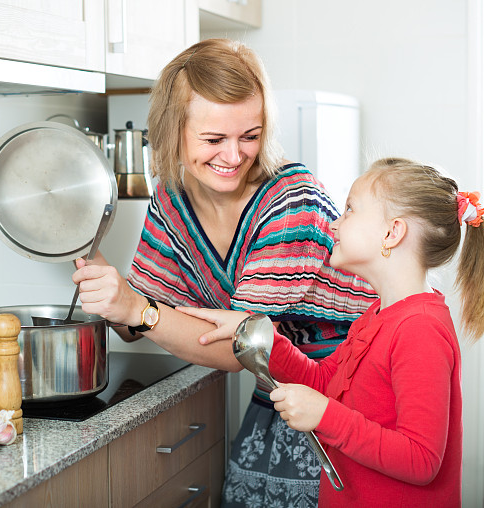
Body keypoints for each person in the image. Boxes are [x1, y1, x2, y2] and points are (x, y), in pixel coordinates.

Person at [73, 38, 377, 507]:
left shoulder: (293, 201)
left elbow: (242, 349)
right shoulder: (173, 197)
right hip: (282, 386)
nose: (234, 156)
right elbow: (138, 319)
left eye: (249, 136)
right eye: (214, 139)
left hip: (352, 390)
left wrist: (138, 308)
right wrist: (111, 292)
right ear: (174, 132)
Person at [179, 157, 481, 506]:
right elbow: (326, 381)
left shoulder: (420, 330)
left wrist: (325, 416)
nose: (334, 225)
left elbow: (421, 459)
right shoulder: (378, 314)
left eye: (350, 210)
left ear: (392, 233)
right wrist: (256, 331)